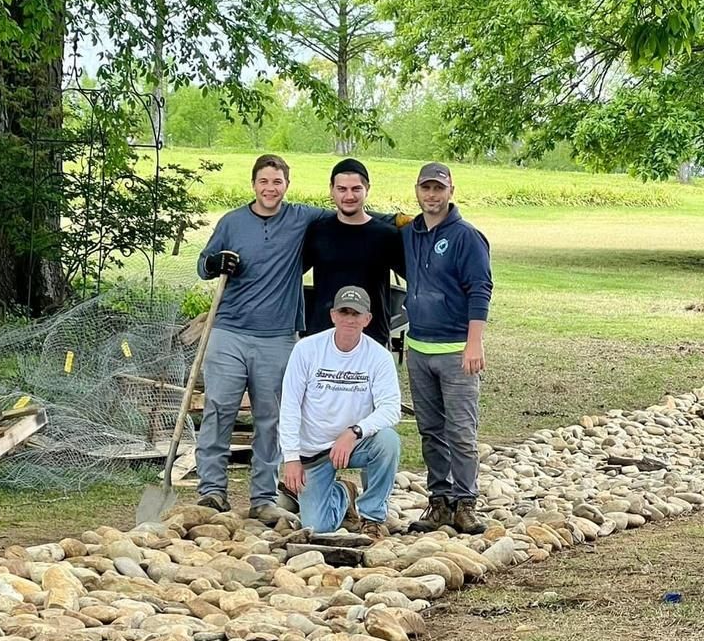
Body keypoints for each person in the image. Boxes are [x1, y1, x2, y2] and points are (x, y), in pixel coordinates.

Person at [195, 154, 328, 522]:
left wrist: (396, 224)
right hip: (229, 332)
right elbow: (203, 263)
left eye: (277, 182)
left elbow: (348, 214)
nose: (270, 188)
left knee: (271, 419)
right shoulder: (232, 222)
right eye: (264, 182)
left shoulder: (302, 218)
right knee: (219, 410)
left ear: (287, 185)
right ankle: (211, 492)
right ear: (254, 184)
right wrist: (215, 262)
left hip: (278, 337)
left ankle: (263, 498)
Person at [402, 162, 493, 535]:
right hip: (419, 348)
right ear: (418, 191)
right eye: (426, 188)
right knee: (430, 430)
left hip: (457, 350)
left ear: (450, 190)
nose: (432, 195)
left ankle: (465, 501)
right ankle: (439, 502)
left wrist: (475, 343)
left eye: (439, 188)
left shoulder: (466, 237)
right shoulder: (410, 233)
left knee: (461, 431)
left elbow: (480, 290)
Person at [278, 285, 401, 542]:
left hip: (355, 444)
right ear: (333, 315)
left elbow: (391, 409)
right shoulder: (306, 350)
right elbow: (289, 405)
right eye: (344, 312)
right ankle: (344, 493)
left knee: (388, 441)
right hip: (314, 451)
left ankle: (373, 517)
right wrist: (291, 458)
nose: (349, 319)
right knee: (317, 528)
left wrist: (354, 432)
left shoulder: (379, 357)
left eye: (356, 314)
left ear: (367, 319)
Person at [302, 158, 406, 348]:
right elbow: (289, 273)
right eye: (342, 189)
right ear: (331, 190)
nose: (349, 196)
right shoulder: (317, 231)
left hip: (371, 337)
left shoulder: (386, 235)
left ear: (367, 189)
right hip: (323, 335)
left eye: (356, 189)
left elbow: (418, 278)